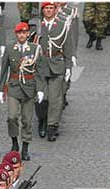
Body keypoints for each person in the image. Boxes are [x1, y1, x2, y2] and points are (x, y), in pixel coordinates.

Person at [0, 21, 45, 158]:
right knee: (12, 116)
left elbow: (39, 70)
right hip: (14, 86)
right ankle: (14, 141)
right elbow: (4, 69)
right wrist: (1, 89)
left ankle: (25, 146)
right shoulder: (10, 48)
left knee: (27, 120)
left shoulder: (35, 49)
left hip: (29, 87)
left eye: (24, 33)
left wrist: (40, 89)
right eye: (19, 33)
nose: (22, 35)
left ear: (28, 34)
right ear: (16, 34)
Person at [36, 1, 74, 141]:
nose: (49, 11)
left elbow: (68, 48)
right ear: (43, 10)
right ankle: (42, 120)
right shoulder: (37, 26)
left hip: (57, 65)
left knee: (55, 98)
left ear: (55, 10)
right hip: (40, 65)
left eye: (51, 8)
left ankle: (52, 126)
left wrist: (69, 66)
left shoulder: (63, 26)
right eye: (46, 8)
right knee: (41, 99)